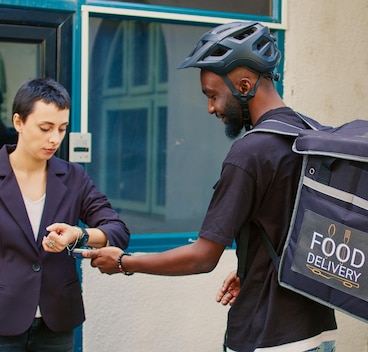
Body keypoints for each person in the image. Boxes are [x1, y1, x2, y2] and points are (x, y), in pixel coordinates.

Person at [85, 21, 337, 352]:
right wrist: (253, 270)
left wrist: (123, 263)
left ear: (244, 85)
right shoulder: (312, 136)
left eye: (213, 95)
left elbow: (202, 257)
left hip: (268, 338)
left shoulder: (250, 153)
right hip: (319, 331)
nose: (211, 108)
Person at [0, 77, 131, 352]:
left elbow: (117, 229)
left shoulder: (73, 177)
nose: (55, 138)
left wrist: (80, 234)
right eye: (45, 128)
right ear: (18, 122)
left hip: (56, 323)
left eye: (62, 128)